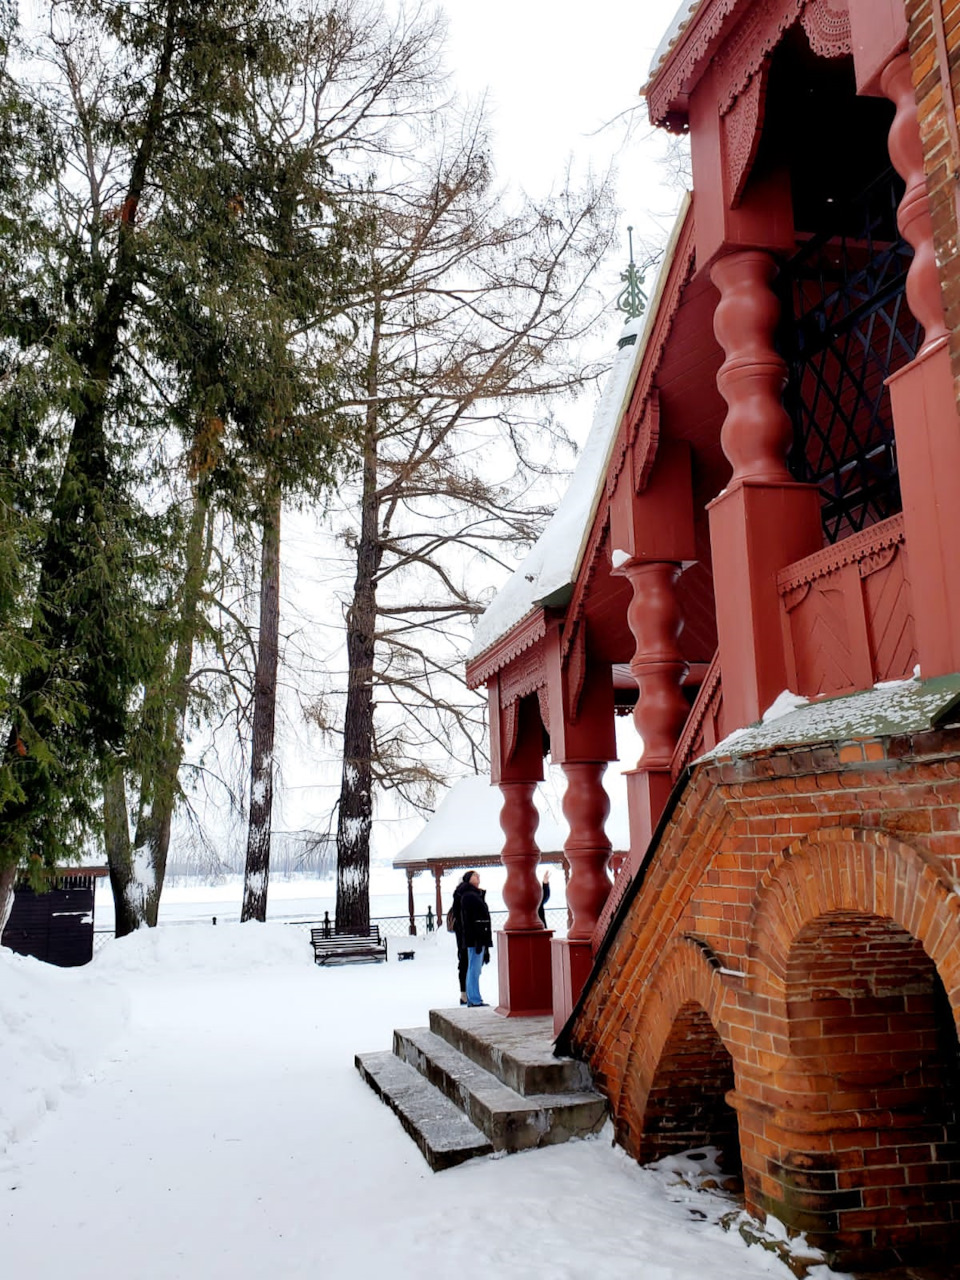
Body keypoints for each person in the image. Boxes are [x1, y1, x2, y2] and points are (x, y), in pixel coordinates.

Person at [459, 870, 492, 1007]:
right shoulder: (469, 896)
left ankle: (474, 998)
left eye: (478, 874)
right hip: (476, 938)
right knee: (473, 968)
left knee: (476, 968)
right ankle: (474, 999)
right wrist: (477, 939)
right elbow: (469, 920)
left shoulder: (475, 895)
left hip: (479, 937)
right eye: (474, 875)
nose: (478, 876)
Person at [450, 871, 474, 1005]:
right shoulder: (462, 897)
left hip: (463, 936)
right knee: (466, 963)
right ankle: (467, 993)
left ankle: (466, 992)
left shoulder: (458, 897)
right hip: (465, 935)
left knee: (465, 963)